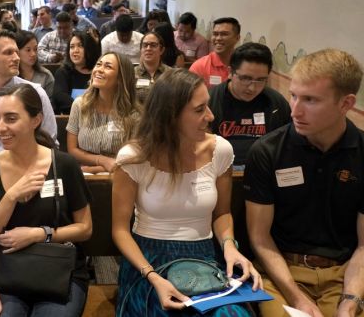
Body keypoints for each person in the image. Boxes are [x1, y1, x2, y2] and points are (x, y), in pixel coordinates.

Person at [112, 68, 261, 316]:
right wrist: (153, 277)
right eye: (199, 110)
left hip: (202, 256)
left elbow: (222, 214)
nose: (210, 116)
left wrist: (229, 246)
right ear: (170, 116)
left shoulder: (219, 150)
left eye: (208, 106)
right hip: (148, 259)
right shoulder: (133, 158)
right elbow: (119, 229)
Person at [245, 48, 364, 317]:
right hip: (282, 272)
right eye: (294, 96)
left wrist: (350, 300)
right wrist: (297, 298)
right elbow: (260, 239)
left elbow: (363, 246)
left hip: (345, 273)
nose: (295, 111)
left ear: (346, 103)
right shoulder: (268, 151)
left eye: (310, 100)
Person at [0, 84, 92, 316]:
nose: (1, 127)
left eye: (11, 118)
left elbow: (85, 229)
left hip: (60, 271)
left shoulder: (63, 164)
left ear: (36, 120)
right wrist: (11, 196)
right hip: (9, 273)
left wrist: (39, 234)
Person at [208, 42, 290, 166]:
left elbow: (286, 143)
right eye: (245, 78)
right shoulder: (210, 101)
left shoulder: (276, 103)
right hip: (219, 168)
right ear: (230, 72)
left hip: (263, 169)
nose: (252, 88)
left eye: (261, 80)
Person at [67, 52, 140, 174]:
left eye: (108, 66)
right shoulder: (80, 104)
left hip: (120, 174)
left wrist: (94, 169)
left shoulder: (134, 114)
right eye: (98, 64)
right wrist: (101, 161)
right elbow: (72, 149)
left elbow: (134, 157)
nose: (99, 70)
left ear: (121, 78)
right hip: (82, 173)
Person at [53, 30, 101, 114]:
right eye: (72, 47)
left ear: (89, 48)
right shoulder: (63, 72)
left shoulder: (99, 71)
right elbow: (60, 97)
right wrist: (85, 109)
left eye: (80, 46)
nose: (75, 50)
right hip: (71, 118)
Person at [190, 17, 241, 88]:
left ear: (237, 38)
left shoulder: (244, 64)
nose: (218, 38)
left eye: (224, 34)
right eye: (215, 34)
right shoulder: (199, 66)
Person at [15, 30, 55, 99]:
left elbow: (51, 103)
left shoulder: (46, 75)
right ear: (17, 51)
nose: (33, 54)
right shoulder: (11, 76)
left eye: (35, 49)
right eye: (28, 50)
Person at [134, 32, 171, 103]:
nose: (148, 48)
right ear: (141, 50)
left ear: (161, 50)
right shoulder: (131, 74)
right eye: (145, 45)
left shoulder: (171, 74)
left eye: (153, 45)